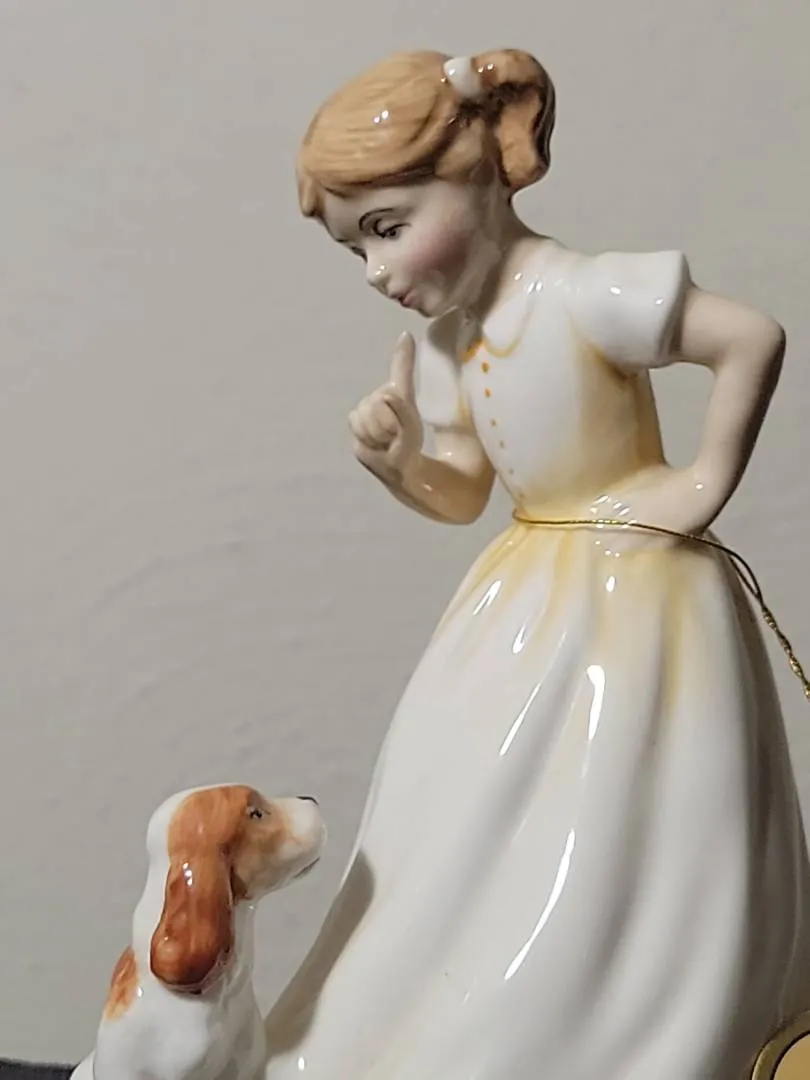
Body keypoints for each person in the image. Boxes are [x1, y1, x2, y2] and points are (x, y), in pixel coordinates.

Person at [264, 48, 810, 1079]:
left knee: (630, 813)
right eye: (356, 248)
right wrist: (402, 464)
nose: (377, 270)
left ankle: (641, 1030)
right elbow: (463, 492)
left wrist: (700, 483)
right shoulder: (444, 344)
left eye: (387, 229)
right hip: (522, 596)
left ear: (476, 174)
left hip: (642, 598)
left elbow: (752, 337)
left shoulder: (587, 292)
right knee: (466, 809)